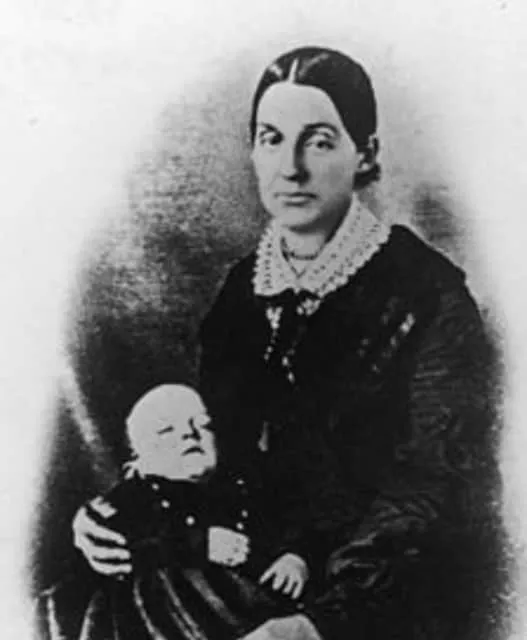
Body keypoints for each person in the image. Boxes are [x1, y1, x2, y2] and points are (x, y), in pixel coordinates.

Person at [70, 46, 504, 640]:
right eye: (271, 139)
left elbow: (434, 486)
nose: (291, 168)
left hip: (377, 591)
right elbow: (209, 459)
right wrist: (115, 518)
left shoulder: (427, 295)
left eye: (319, 142)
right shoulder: (241, 292)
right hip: (247, 564)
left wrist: (317, 622)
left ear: (365, 153)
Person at [37, 384, 324, 640]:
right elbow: (123, 545)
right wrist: (196, 543)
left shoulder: (239, 491)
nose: (189, 433)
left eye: (203, 425)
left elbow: (289, 526)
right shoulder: (134, 497)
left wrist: (295, 558)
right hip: (167, 617)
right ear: (137, 460)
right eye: (166, 431)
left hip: (251, 610)